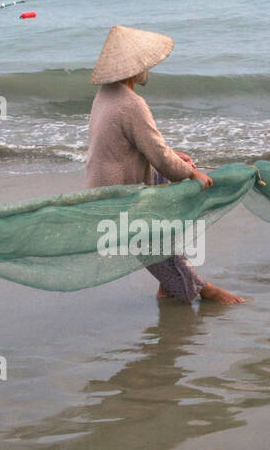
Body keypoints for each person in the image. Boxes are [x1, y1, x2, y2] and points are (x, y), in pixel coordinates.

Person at [84, 24, 243, 303]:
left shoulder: (105, 94)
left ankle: (168, 285)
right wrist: (192, 173)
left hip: (102, 185)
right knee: (151, 238)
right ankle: (200, 290)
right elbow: (161, 160)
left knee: (165, 204)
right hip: (120, 197)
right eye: (145, 64)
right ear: (135, 69)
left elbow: (142, 148)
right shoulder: (132, 104)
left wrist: (175, 159)